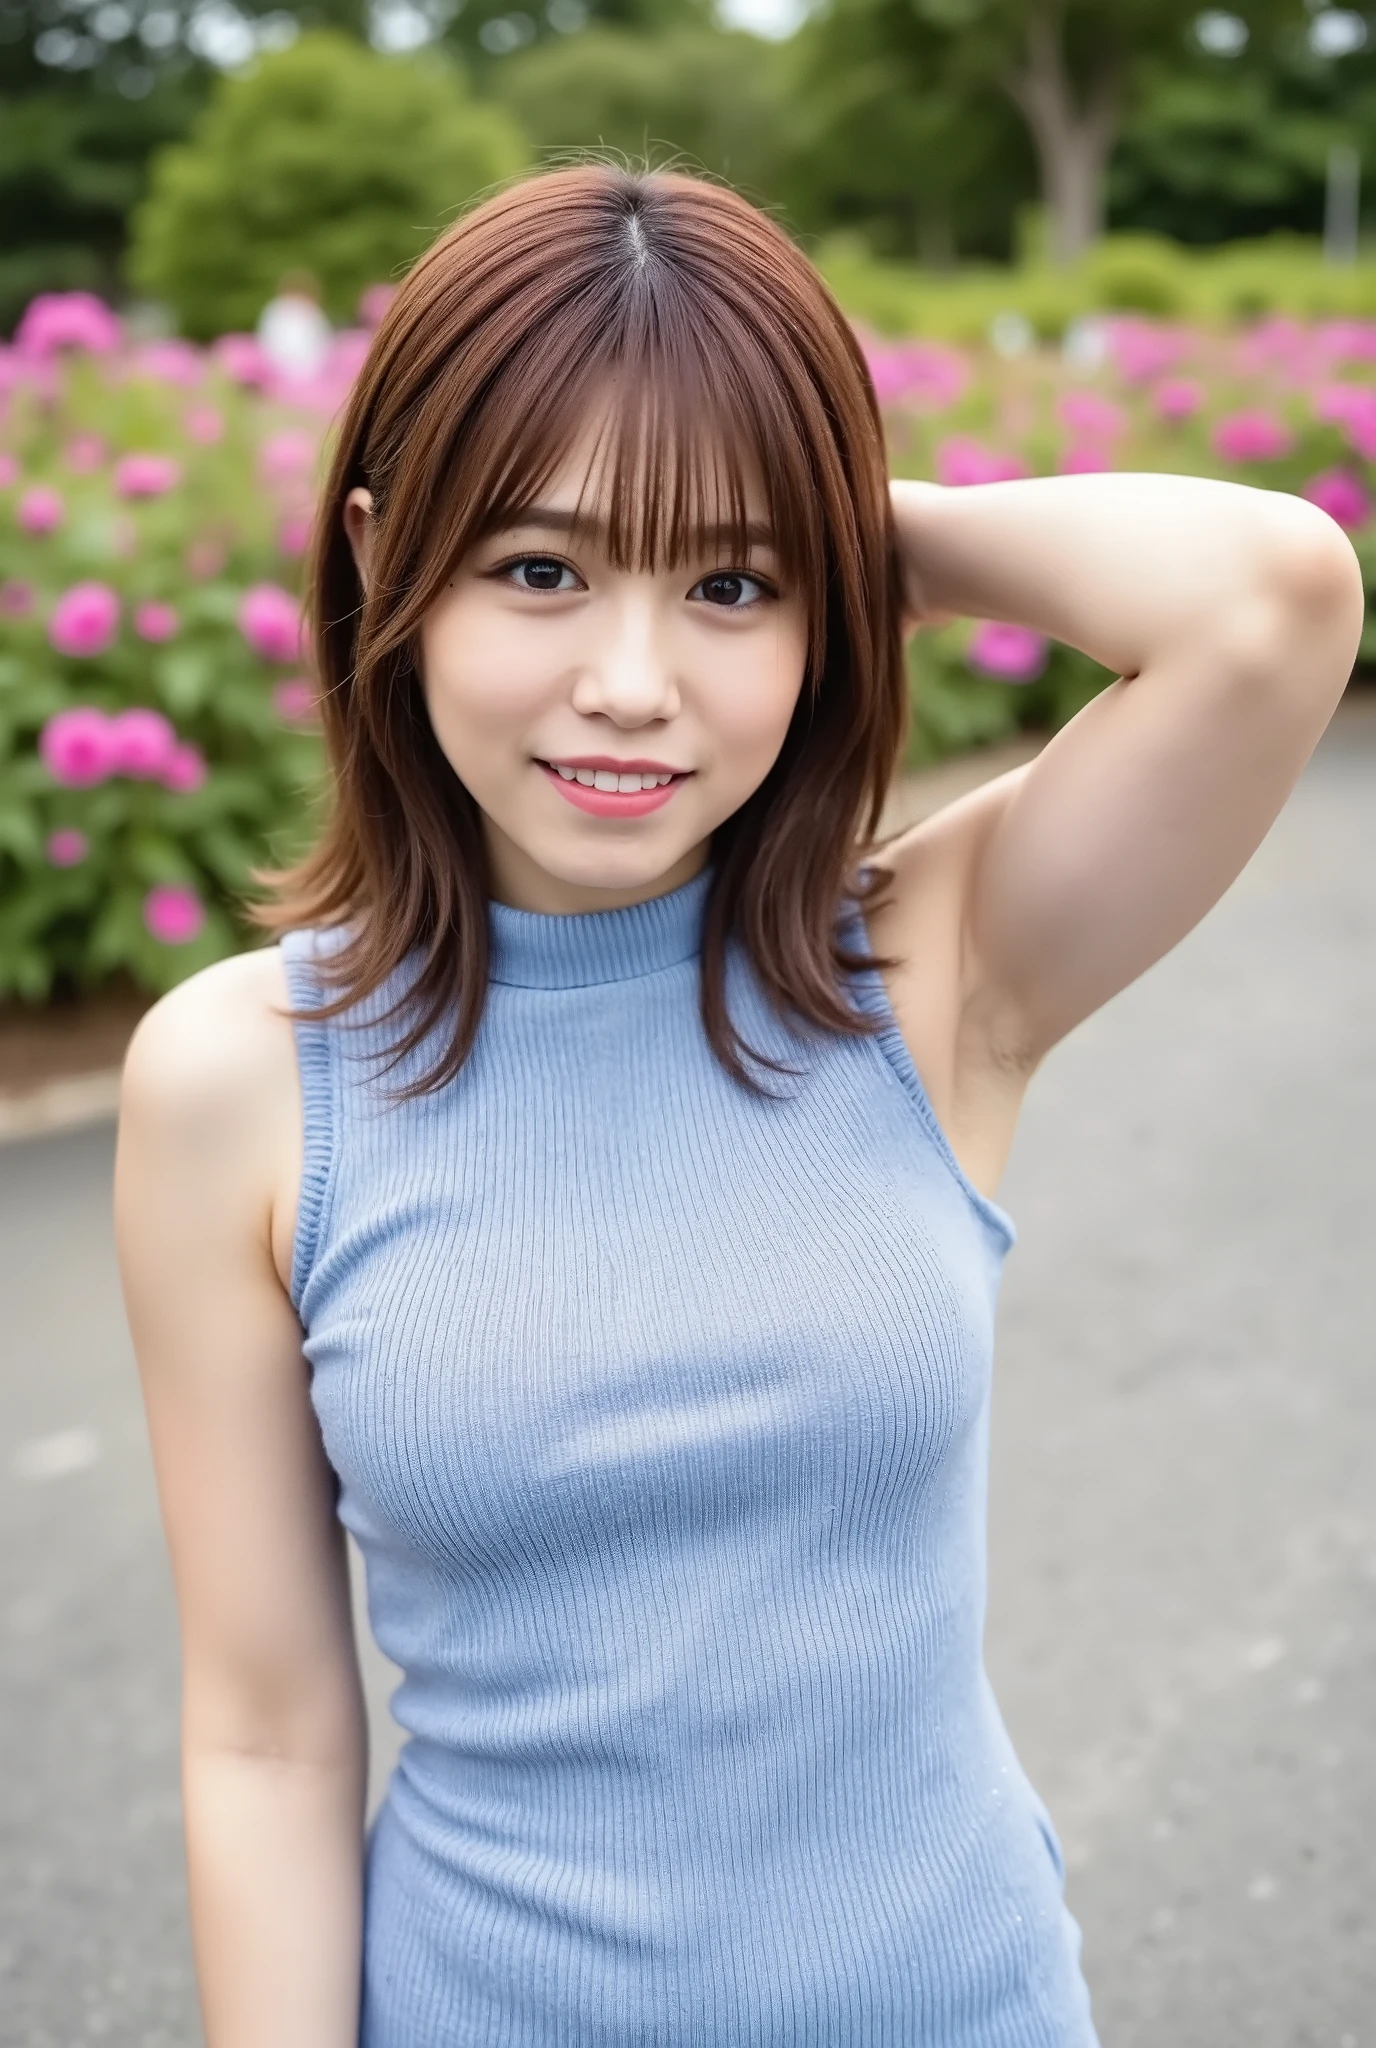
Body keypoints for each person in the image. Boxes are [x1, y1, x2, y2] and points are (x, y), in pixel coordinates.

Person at [113, 164, 1363, 2048]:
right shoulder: (242, 1083)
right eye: (539, 568)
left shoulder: (933, 973)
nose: (634, 685)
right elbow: (268, 1737)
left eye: (728, 586)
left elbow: (1274, 600)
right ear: (389, 561)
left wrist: (839, 523)